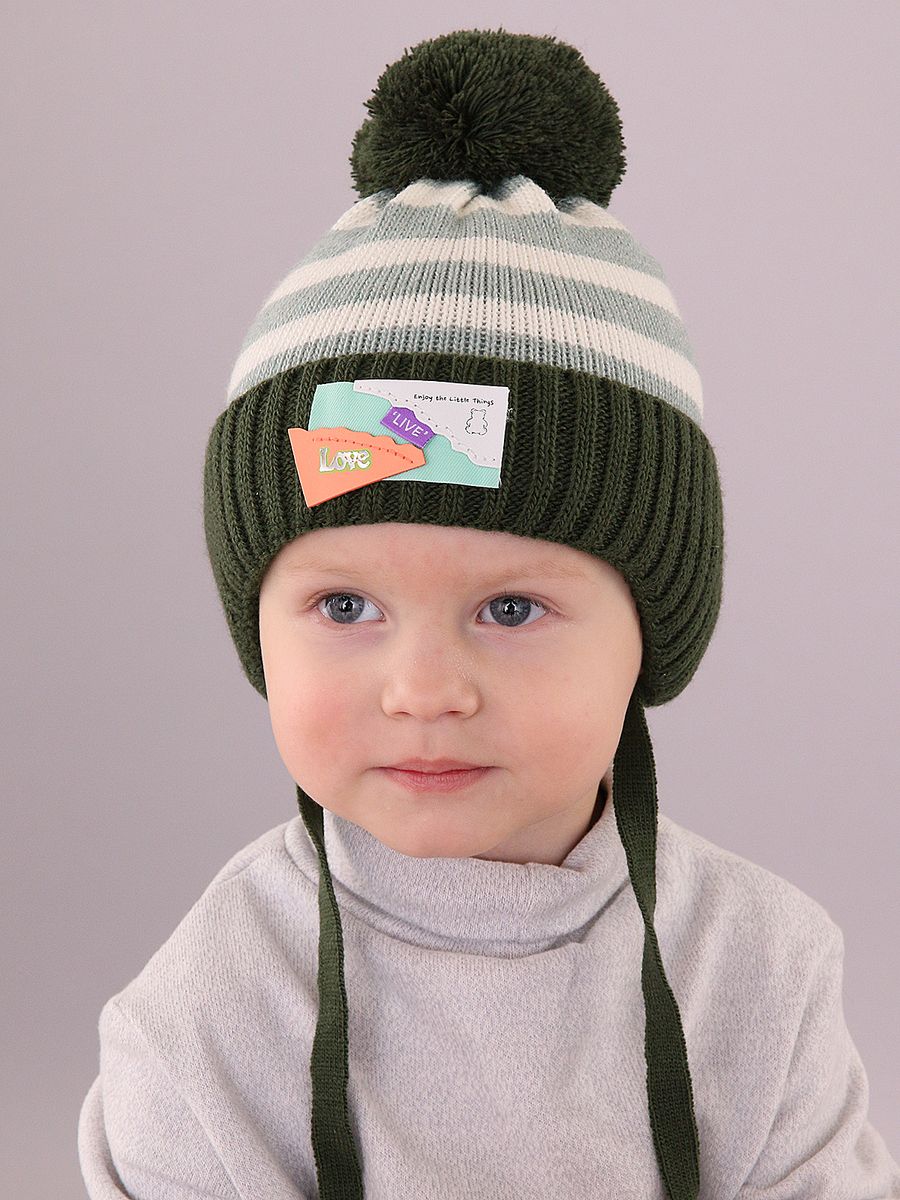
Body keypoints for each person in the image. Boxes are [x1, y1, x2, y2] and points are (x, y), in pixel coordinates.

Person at [77, 27, 900, 1200]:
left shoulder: (758, 973)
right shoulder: (206, 1018)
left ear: (652, 634)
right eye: (345, 604)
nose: (423, 690)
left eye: (511, 606)